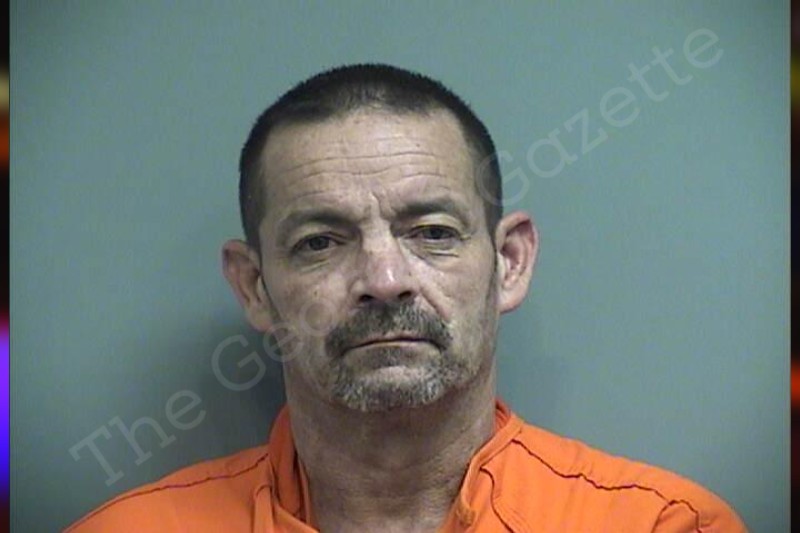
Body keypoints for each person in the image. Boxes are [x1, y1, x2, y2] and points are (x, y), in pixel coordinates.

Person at [67, 64, 745, 532]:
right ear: (255, 287)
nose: (385, 278)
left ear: (509, 263)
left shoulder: (662, 525)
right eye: (319, 242)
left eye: (433, 232)